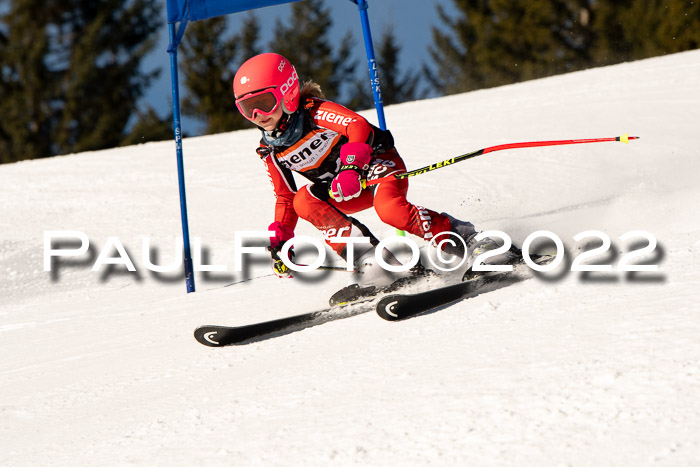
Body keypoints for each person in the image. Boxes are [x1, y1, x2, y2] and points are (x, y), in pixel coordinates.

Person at [232, 53, 508, 302]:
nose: (257, 116)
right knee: (303, 200)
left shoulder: (312, 111)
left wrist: (352, 167)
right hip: (342, 188)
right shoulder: (270, 148)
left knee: (391, 211)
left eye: (264, 104)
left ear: (286, 92)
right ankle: (375, 263)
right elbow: (285, 196)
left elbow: (357, 125)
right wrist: (282, 237)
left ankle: (474, 241)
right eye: (247, 109)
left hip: (378, 165)